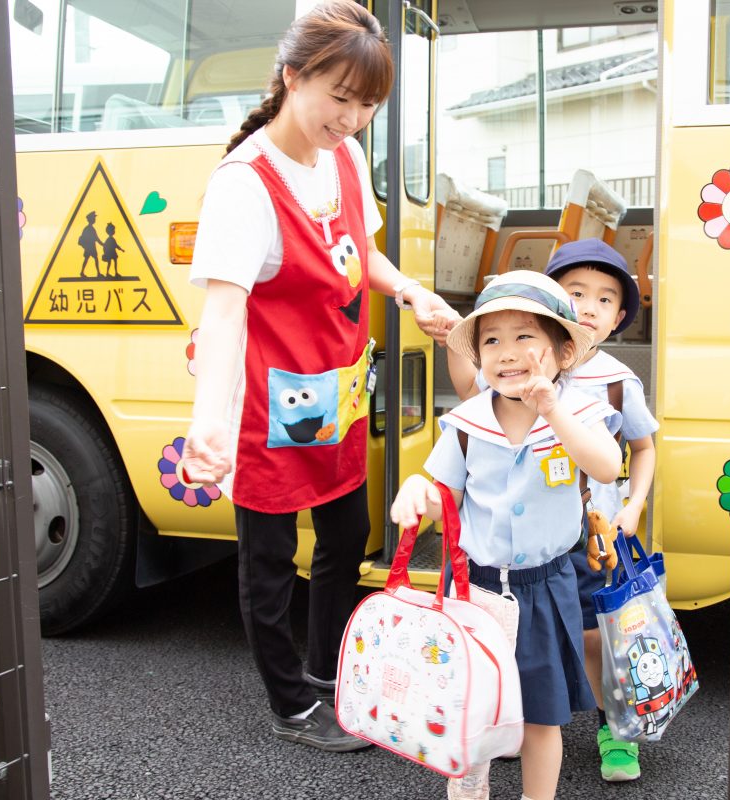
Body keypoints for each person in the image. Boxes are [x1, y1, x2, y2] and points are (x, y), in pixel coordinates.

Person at [181, 0, 459, 753]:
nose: (353, 118)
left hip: (332, 386)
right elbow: (226, 314)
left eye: (368, 105)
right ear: (292, 76)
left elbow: (359, 256)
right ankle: (288, 705)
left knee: (348, 529)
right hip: (267, 399)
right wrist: (209, 425)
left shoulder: (344, 157)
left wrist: (409, 291)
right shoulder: (244, 184)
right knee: (268, 558)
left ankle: (327, 672)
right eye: (340, 98)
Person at [392, 270, 623, 800]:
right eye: (491, 340)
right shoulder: (466, 422)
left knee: (542, 717)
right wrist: (415, 490)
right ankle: (468, 790)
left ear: (563, 351)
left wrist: (550, 409)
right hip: (472, 590)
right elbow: (440, 496)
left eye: (524, 337)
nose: (506, 352)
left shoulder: (580, 413)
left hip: (546, 585)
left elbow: (608, 467)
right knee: (468, 705)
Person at [447, 239, 657, 782]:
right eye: (576, 292)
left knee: (600, 636)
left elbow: (627, 455)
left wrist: (633, 506)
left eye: (605, 299)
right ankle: (518, 721)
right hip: (520, 558)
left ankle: (617, 726)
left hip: (594, 535)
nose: (590, 305)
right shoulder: (492, 397)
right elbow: (460, 431)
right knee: (518, 658)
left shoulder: (611, 384)